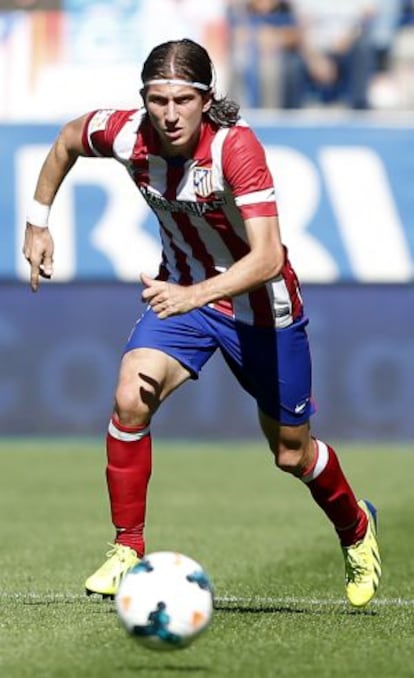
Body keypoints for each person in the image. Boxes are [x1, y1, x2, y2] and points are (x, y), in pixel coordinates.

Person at [22, 38, 381, 608]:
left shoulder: (236, 149)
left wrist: (195, 296)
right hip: (183, 298)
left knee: (291, 453)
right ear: (144, 99)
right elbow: (69, 138)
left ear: (206, 99)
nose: (169, 114)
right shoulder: (126, 134)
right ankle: (128, 548)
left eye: (182, 100)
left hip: (261, 309)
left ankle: (356, 528)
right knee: (130, 397)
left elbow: (267, 257)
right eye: (157, 100)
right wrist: (38, 221)